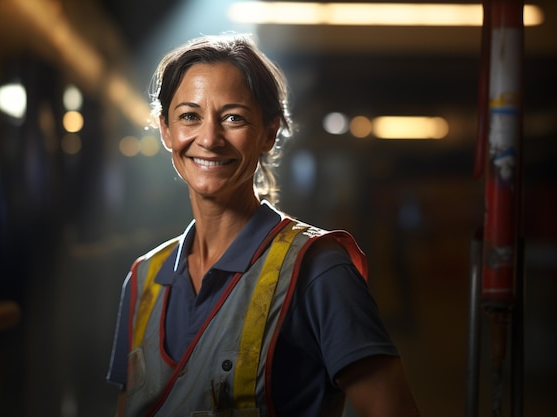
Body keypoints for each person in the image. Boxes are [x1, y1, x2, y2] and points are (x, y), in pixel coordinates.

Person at [106, 33, 420, 417]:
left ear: (268, 133)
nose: (209, 138)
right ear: (167, 130)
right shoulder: (143, 280)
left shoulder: (317, 268)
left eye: (233, 118)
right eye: (190, 116)